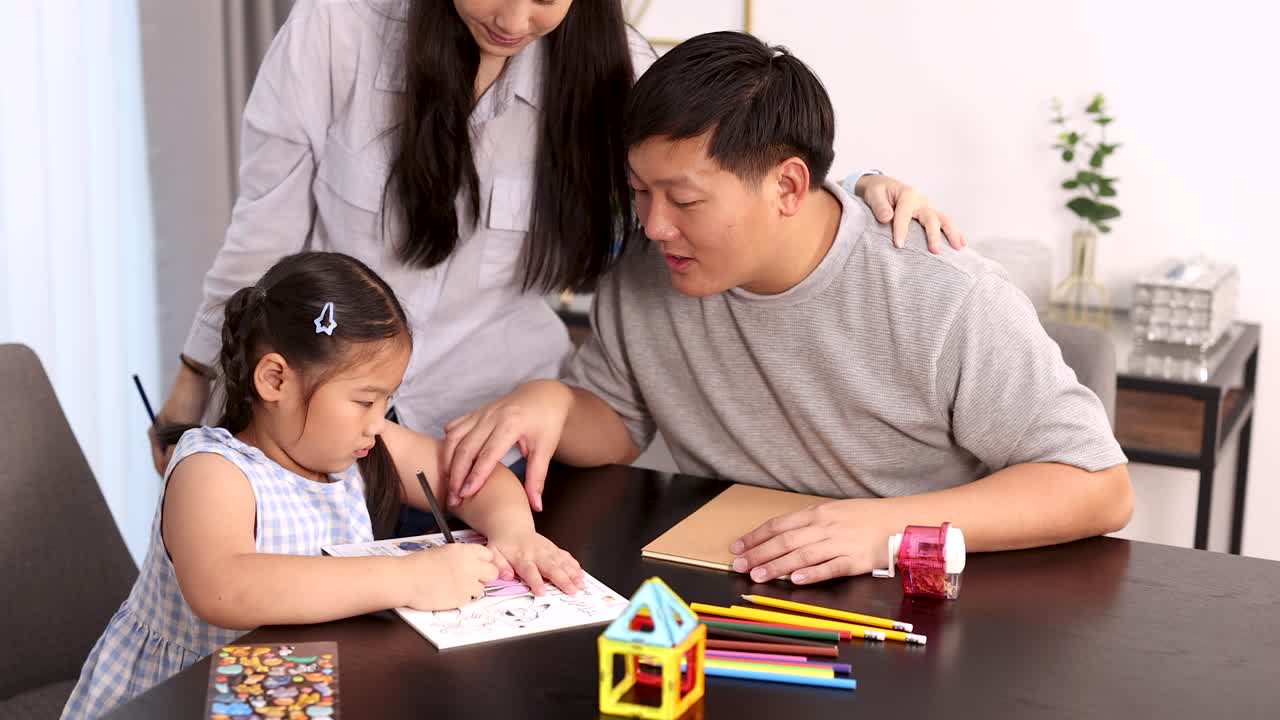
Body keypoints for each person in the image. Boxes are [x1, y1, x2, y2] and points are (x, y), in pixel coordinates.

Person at [150, 0, 965, 503]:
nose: (513, 18)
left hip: (495, 445)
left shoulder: (610, 66)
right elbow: (261, 233)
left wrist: (863, 183)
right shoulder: (339, 29)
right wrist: (193, 386)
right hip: (327, 433)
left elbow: (739, 162)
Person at [440, 31, 1133, 585]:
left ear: (788, 187)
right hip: (738, 585)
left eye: (683, 200)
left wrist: (884, 529)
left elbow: (1097, 486)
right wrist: (553, 404)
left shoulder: (942, 293)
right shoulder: (650, 272)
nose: (653, 225)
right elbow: (620, 419)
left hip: (916, 600)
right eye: (640, 192)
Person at [63, 252, 581, 719]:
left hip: (295, 685)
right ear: (275, 381)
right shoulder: (212, 470)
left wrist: (515, 531)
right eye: (364, 401)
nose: (379, 421)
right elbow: (225, 588)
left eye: (386, 401)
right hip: (182, 695)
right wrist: (406, 577)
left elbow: (472, 473)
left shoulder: (361, 444)